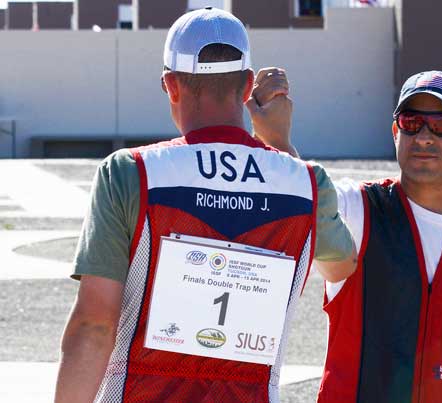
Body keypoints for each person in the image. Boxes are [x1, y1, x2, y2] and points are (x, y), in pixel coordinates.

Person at [54, 8, 356, 403]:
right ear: (248, 87)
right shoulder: (306, 183)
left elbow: (93, 326)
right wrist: (279, 147)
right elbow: (341, 265)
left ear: (170, 85)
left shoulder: (131, 172)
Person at [263, 70, 442, 403]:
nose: (424, 136)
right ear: (395, 132)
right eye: (412, 122)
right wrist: (276, 139)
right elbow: (303, 197)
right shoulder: (357, 210)